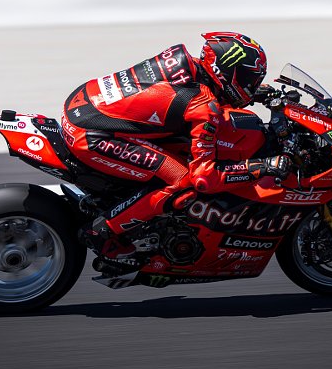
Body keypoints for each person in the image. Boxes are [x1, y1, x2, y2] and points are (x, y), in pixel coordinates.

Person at [60, 32, 291, 261]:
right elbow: (204, 179)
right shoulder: (203, 105)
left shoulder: (182, 60)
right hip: (91, 135)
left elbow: (174, 95)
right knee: (183, 181)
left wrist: (254, 94)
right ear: (228, 71)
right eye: (250, 79)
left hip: (83, 102)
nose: (251, 86)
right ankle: (102, 231)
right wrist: (263, 166)